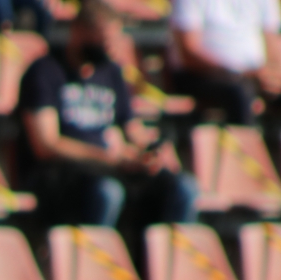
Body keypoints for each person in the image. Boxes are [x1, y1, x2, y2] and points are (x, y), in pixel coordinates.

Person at [18, 0, 198, 229]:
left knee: (182, 187)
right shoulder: (45, 72)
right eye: (103, 41)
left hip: (110, 167)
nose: (110, 48)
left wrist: (154, 150)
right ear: (78, 32)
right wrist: (108, 157)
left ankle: (163, 250)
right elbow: (47, 144)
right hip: (63, 173)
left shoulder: (111, 73)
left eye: (114, 41)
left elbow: (132, 128)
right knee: (108, 191)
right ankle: (94, 251)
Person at [166, 0, 281, 130]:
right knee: (239, 92)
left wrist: (274, 75)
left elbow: (272, 46)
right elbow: (189, 53)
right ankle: (244, 162)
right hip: (203, 75)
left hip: (253, 76)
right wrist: (242, 73)